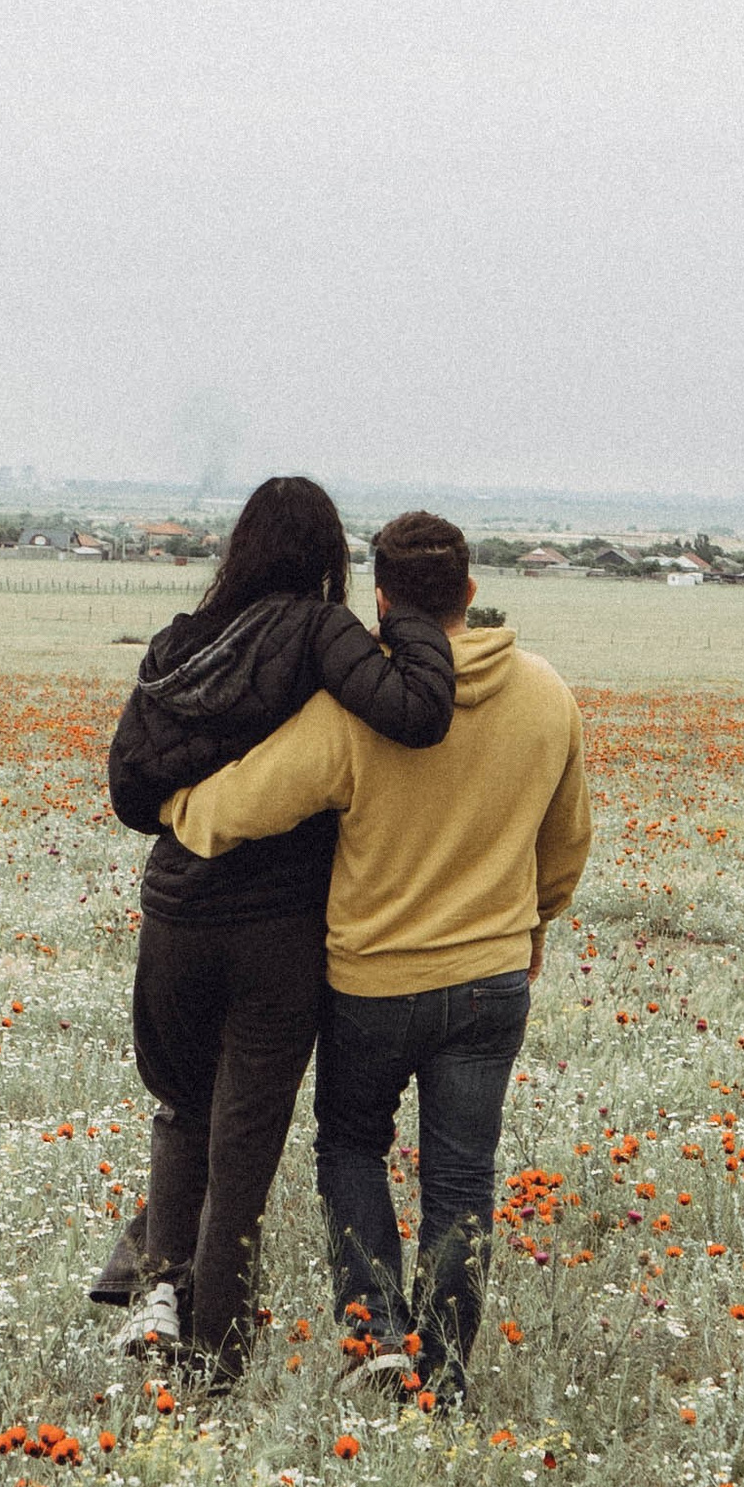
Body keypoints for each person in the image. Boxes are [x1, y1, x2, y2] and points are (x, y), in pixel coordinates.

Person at [162, 508, 588, 1402]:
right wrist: (532, 927)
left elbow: (244, 802)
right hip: (491, 982)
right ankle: (447, 1373)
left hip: (372, 984)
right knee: (463, 1178)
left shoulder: (356, 714)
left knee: (352, 1147)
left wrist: (174, 808)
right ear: (471, 591)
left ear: (383, 600)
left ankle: (378, 1337)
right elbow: (566, 845)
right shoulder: (548, 694)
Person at [105, 476, 456, 1380]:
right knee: (245, 1136)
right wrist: (412, 614)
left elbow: (129, 792)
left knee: (182, 1109)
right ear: (329, 557)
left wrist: (195, 797)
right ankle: (216, 1350)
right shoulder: (316, 628)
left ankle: (159, 1294)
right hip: (275, 929)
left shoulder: (181, 642)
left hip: (175, 916)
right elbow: (416, 714)